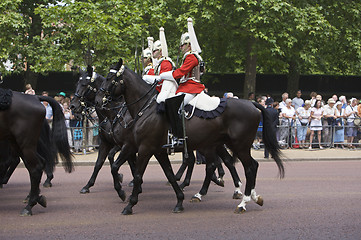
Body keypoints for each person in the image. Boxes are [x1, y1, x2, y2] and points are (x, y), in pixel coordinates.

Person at [159, 18, 205, 148]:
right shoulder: (190, 56)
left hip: (191, 87)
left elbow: (180, 73)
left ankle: (179, 137)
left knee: (175, 106)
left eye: (182, 45)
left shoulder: (191, 57)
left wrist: (163, 75)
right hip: (186, 87)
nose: (180, 48)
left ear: (189, 45)